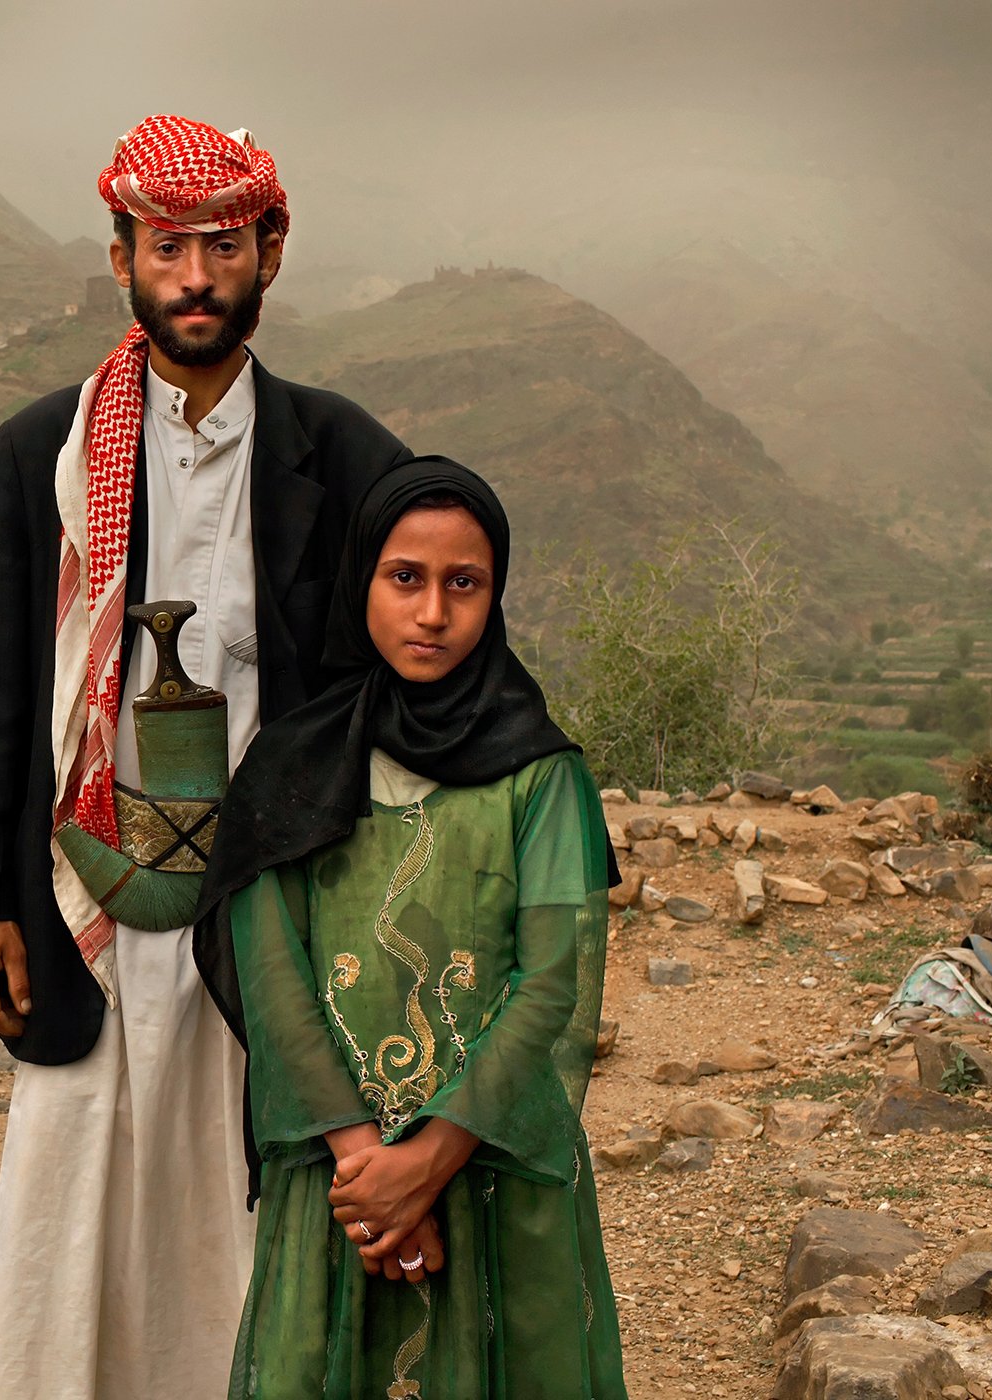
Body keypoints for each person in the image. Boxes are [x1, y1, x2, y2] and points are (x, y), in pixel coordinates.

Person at [0, 115, 414, 1400]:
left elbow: (397, 678)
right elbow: (0, 691)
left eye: (223, 246)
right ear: (121, 259)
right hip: (86, 883)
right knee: (75, 1183)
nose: (194, 276)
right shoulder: (44, 448)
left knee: (240, 1196)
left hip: (270, 902)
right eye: (167, 247)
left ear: (271, 251)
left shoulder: (343, 451)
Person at [199, 459, 627, 1397]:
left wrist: (430, 1159)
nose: (432, 613)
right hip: (339, 1179)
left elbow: (552, 980)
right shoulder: (290, 769)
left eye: (462, 584)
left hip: (490, 1164)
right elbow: (272, 977)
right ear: (362, 585)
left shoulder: (544, 777)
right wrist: (371, 1171)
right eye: (406, 579)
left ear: (495, 595)